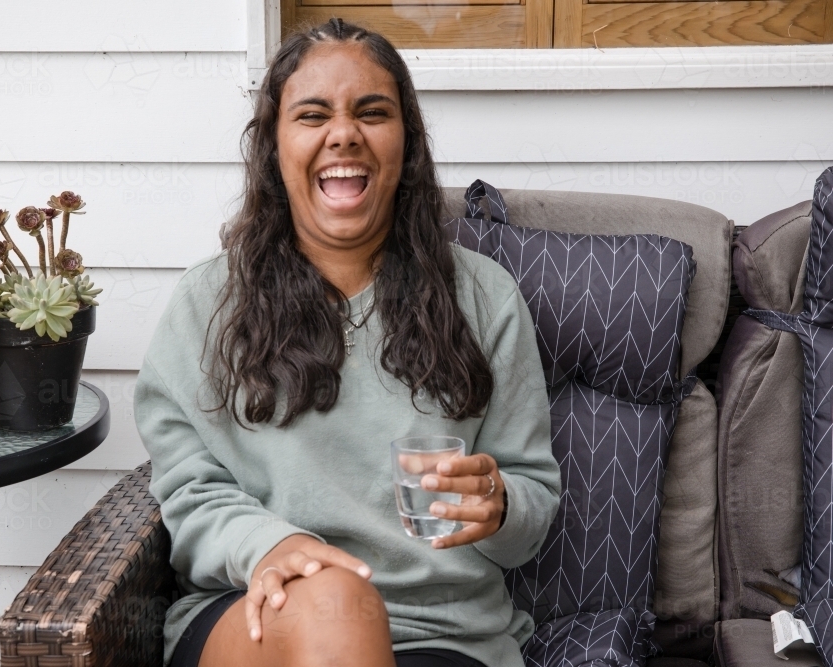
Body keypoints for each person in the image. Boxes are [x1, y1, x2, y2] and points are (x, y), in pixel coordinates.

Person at [134, 18, 560, 667]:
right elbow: (189, 489)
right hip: (261, 604)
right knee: (337, 599)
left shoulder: (485, 298)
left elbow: (530, 501)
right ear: (274, 145)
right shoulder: (208, 302)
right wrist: (267, 545)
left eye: (372, 112)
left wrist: (499, 505)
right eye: (312, 115)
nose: (344, 134)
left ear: (406, 143)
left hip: (441, 633)